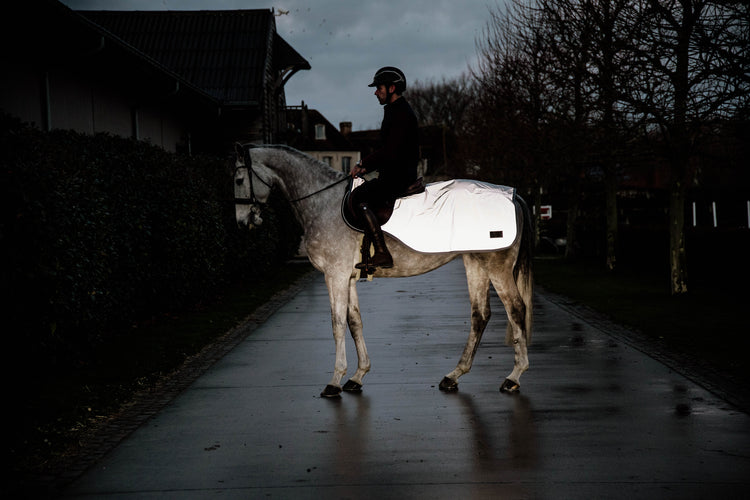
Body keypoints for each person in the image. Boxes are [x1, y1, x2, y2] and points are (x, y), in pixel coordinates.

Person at [350, 66, 419, 269]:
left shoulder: (401, 114)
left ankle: (382, 253)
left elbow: (390, 151)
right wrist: (366, 168)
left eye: (379, 87)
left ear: (391, 88)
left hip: (398, 177)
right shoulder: (395, 111)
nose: (375, 92)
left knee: (360, 199)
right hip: (394, 174)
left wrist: (363, 164)